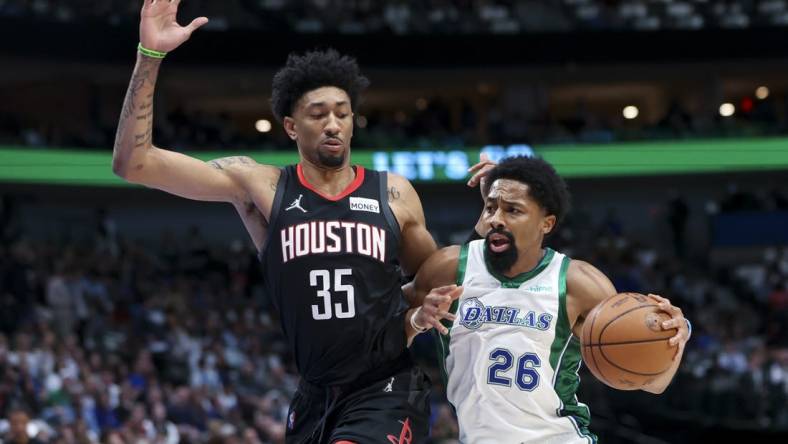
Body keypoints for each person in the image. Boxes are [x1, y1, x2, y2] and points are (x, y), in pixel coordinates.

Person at [112, 1, 486, 442]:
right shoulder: (260, 187)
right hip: (314, 394)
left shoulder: (394, 193)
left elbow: (432, 281)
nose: (333, 124)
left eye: (342, 113)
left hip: (386, 387)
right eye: (318, 114)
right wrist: (149, 56)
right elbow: (134, 164)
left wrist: (488, 224)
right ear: (291, 127)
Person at [405, 156, 691, 443]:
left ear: (547, 223)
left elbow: (655, 382)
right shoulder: (449, 268)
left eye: (513, 210)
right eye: (491, 208)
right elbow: (385, 322)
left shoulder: (578, 283)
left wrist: (678, 333)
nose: (496, 219)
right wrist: (416, 320)